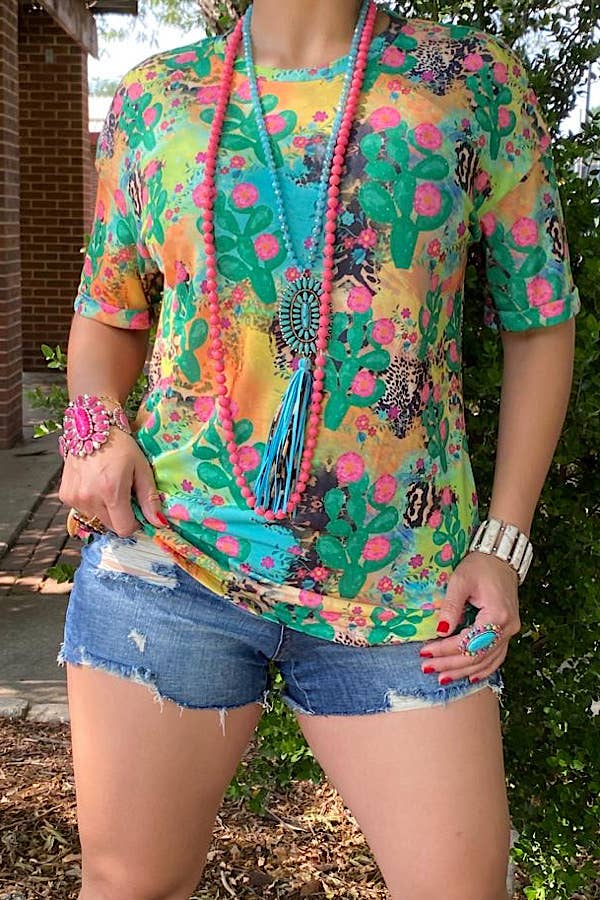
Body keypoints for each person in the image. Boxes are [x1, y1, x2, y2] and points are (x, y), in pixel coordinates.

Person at [56, 1, 580, 897]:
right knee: (127, 885)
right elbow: (108, 312)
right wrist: (94, 432)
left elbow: (541, 319)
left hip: (404, 581)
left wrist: (503, 543)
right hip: (169, 552)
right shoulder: (157, 97)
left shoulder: (471, 81)